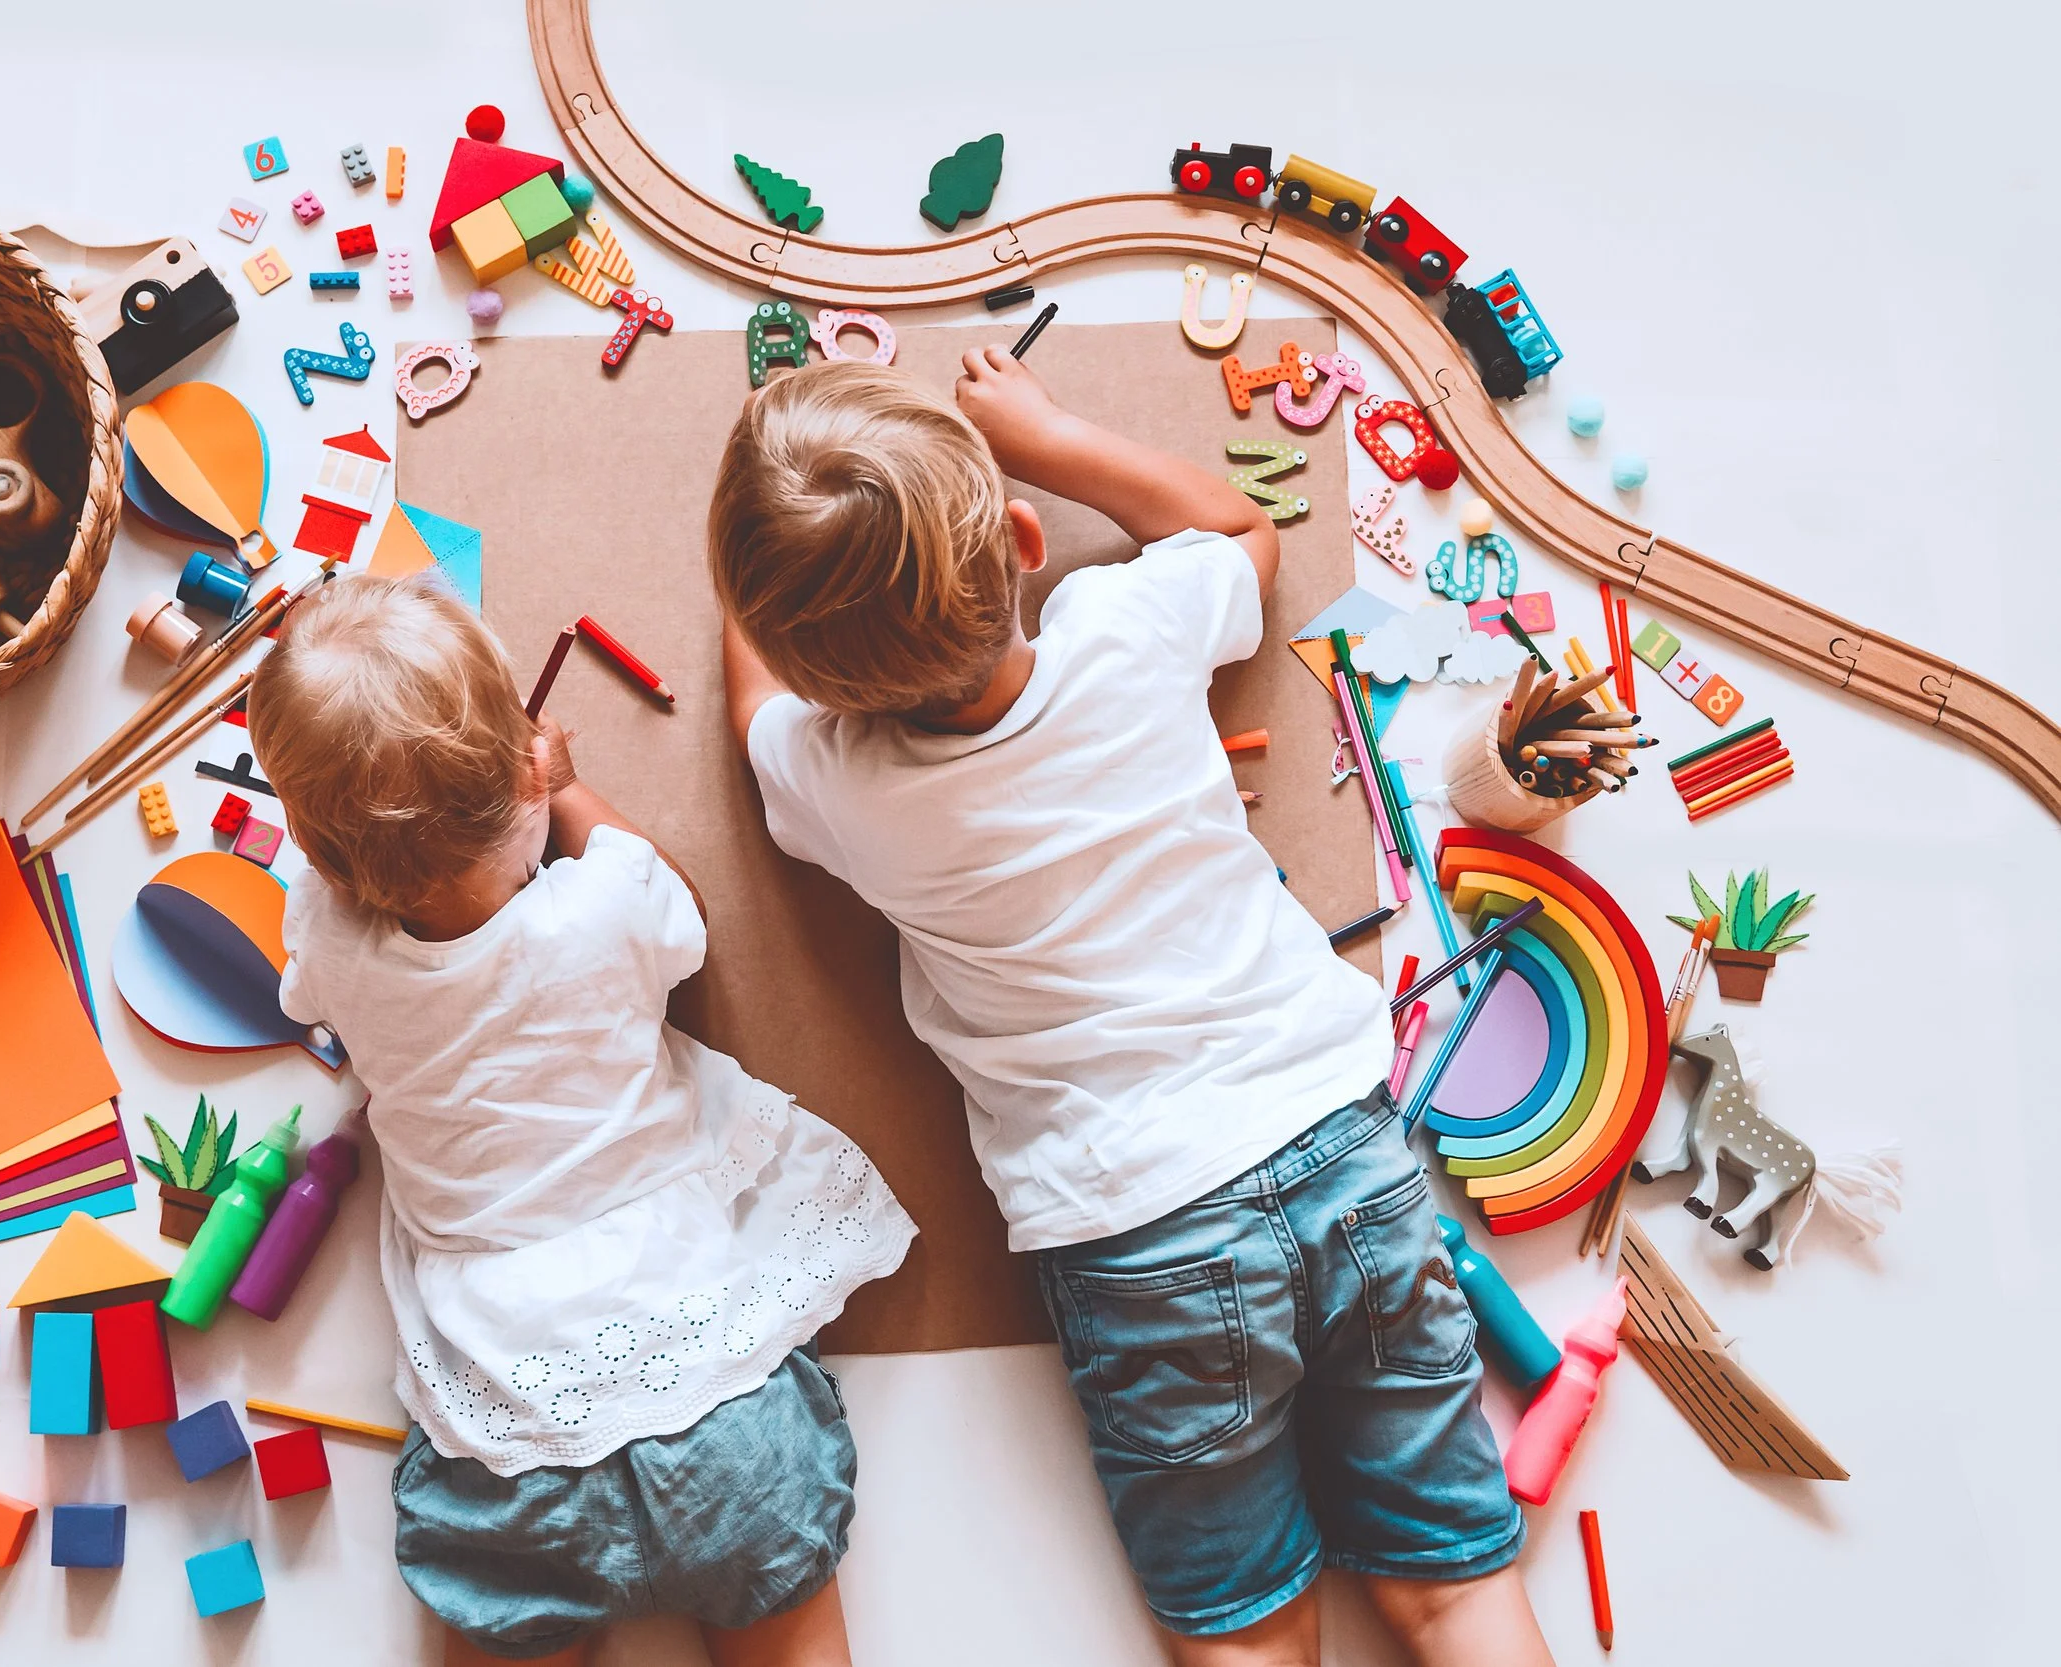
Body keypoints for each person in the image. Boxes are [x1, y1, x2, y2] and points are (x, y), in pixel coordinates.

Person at [709, 354, 1551, 1667]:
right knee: (1454, 1584)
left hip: (1139, 1231)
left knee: (1249, 1636)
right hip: (1340, 1145)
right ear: (1027, 540)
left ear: (827, 679)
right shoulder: (1124, 625)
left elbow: (756, 706)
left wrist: (757, 585)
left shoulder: (840, 784)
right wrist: (1046, 431)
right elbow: (1237, 531)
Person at [252, 573, 914, 1667]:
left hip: (509, 1418)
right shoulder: (599, 906)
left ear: (322, 856)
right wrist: (570, 790)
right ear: (525, 765)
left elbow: (318, 933)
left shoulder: (331, 944)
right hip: (704, 1372)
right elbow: (683, 913)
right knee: (791, 1634)